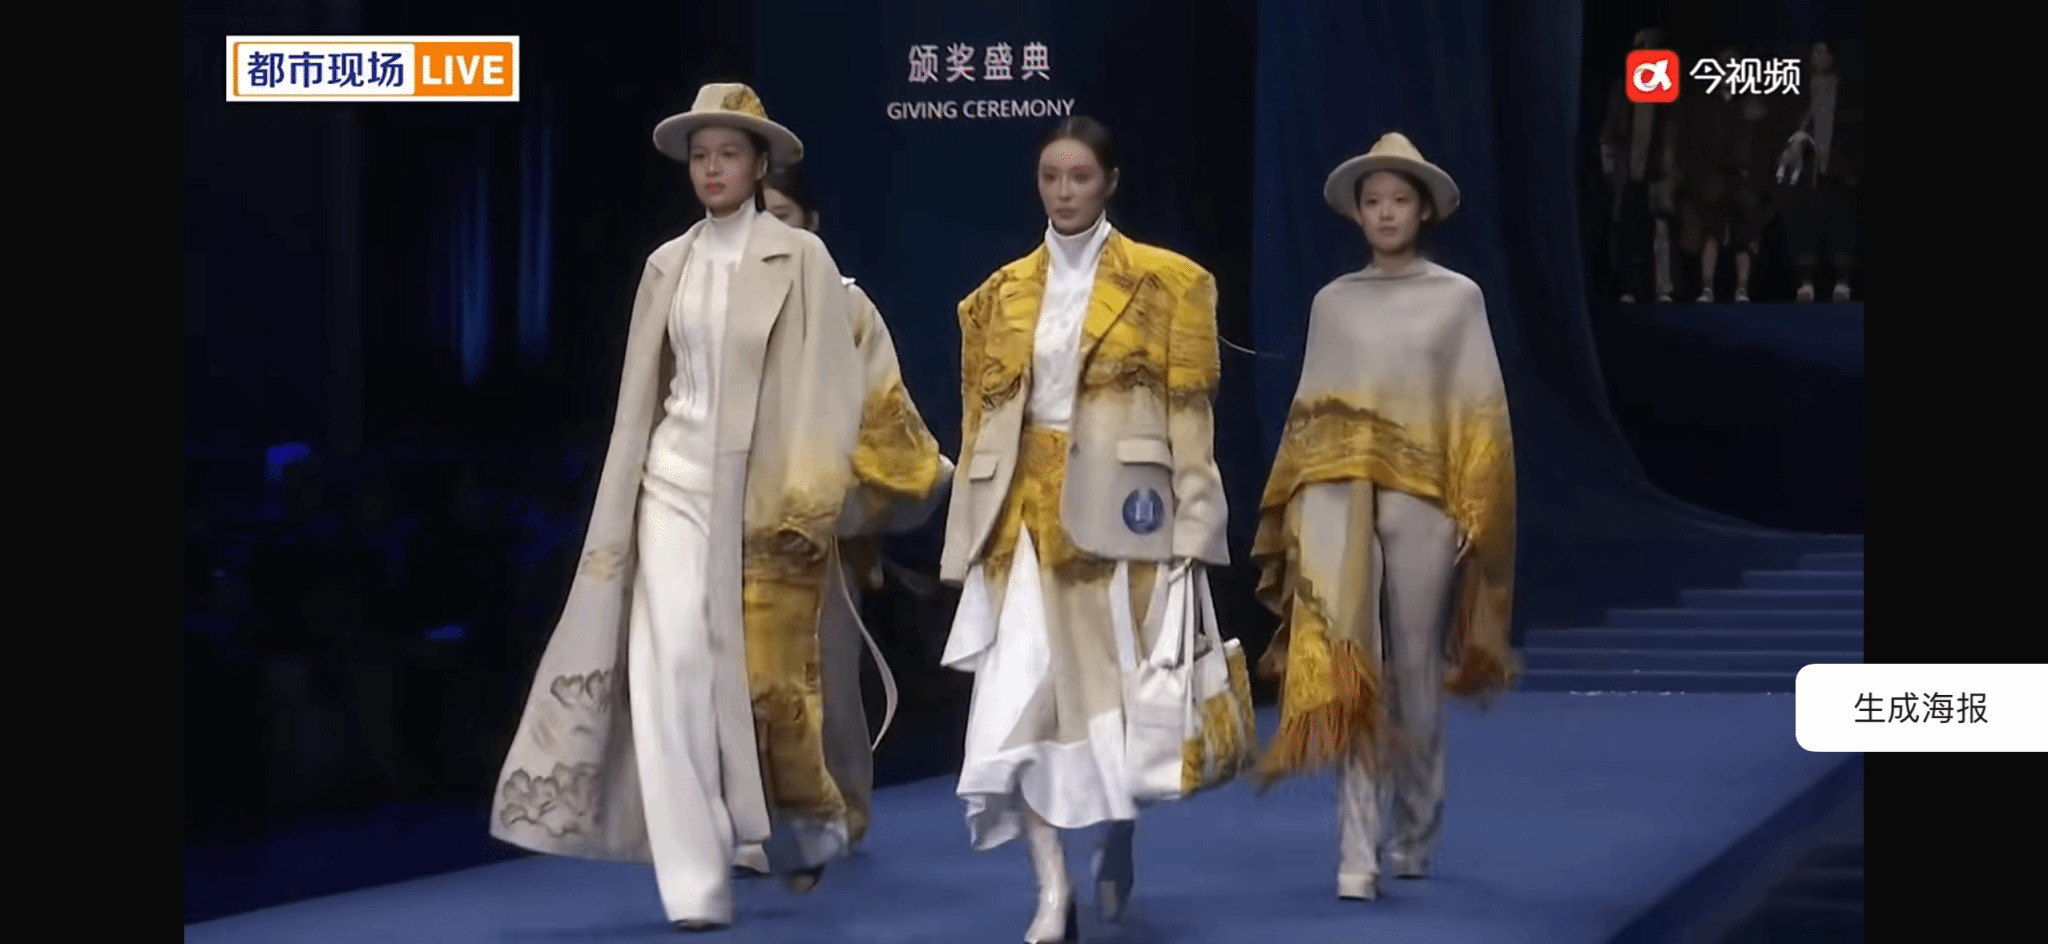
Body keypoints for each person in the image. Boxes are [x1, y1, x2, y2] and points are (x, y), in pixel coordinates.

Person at [488, 83, 949, 933]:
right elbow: (644, 391)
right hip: (669, 479)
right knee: (669, 670)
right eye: (700, 156)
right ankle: (693, 879)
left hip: (763, 490)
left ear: (759, 164)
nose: (711, 169)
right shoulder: (667, 262)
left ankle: (794, 823)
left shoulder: (803, 261)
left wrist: (809, 498)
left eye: (728, 154)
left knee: (756, 677)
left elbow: (826, 391)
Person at [939, 116, 1229, 944]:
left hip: (1124, 515)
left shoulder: (1171, 283)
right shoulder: (994, 297)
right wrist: (966, 534)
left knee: (1121, 705)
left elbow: (1189, 413)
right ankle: (1050, 892)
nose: (1063, 192)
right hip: (1022, 520)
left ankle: (1120, 833)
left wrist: (1196, 524)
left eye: (1079, 177)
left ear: (1110, 182)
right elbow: (979, 423)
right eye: (1050, 177)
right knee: (1018, 699)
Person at [1252, 133, 1517, 903]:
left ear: (1424, 209)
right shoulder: (1332, 303)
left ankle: (1417, 828)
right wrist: (1294, 498)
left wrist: (1474, 500)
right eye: (1374, 202)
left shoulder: (1457, 297)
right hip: (1336, 492)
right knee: (1349, 664)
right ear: (1357, 213)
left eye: (1400, 200)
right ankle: (1356, 848)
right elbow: (1309, 407)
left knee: (1415, 666)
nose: (1387, 212)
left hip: (1424, 495)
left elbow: (1479, 404)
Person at [721, 167, 954, 878]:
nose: (769, 229)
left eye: (784, 213)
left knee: (823, 677)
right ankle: (748, 823)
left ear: (812, 223)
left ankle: (836, 810)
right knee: (735, 678)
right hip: (731, 521)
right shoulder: (712, 300)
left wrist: (838, 499)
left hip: (818, 523)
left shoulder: (848, 307)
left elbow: (886, 418)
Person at [1601, 27, 1681, 303]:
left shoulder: (1667, 91)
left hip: (1657, 174)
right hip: (1628, 173)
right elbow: (1609, 134)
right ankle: (1627, 286)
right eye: (1642, 47)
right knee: (1628, 230)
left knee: (1660, 230)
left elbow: (1673, 133)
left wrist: (1671, 170)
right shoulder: (1621, 89)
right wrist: (1611, 168)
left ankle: (1662, 288)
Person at [1780, 41, 1860, 302]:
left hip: (1839, 168)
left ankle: (1842, 282)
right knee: (1806, 225)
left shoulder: (1848, 91)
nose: (1817, 56)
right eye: (1814, 51)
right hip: (1808, 168)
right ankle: (1806, 283)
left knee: (1842, 226)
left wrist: (1852, 165)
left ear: (1833, 57)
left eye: (1823, 51)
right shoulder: (1800, 89)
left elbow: (1854, 129)